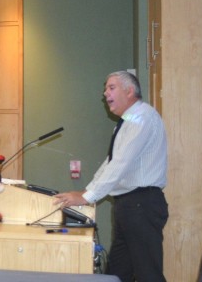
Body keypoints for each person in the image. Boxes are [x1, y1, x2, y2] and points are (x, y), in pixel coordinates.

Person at [55, 71, 168, 282]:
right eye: (105, 88)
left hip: (142, 205)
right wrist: (86, 191)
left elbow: (120, 163)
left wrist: (88, 197)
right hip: (128, 206)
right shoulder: (127, 121)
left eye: (111, 87)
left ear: (130, 90)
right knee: (117, 273)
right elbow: (111, 162)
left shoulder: (142, 117)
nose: (105, 93)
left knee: (148, 275)